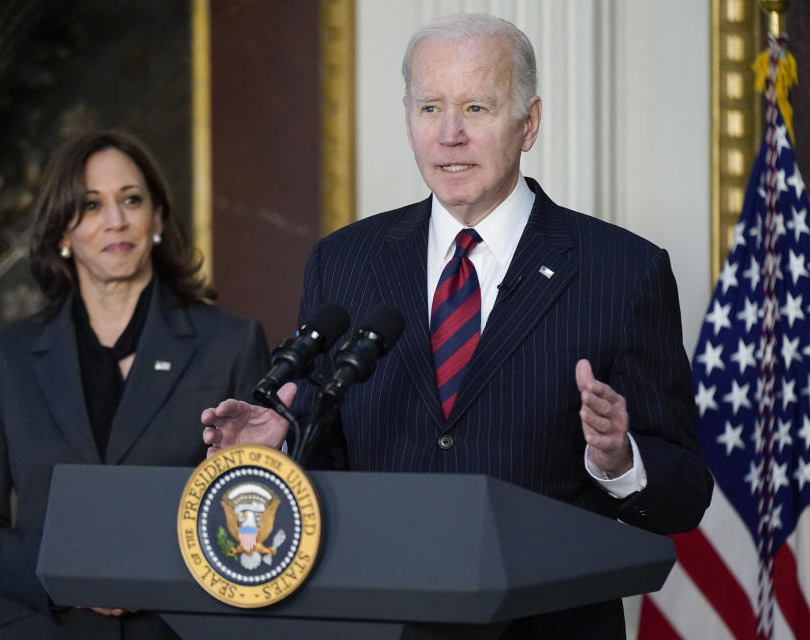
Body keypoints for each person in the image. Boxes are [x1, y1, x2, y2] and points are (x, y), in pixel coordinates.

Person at [201, 13, 713, 639]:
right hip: (378, 622)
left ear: (528, 124)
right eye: (429, 108)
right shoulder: (345, 262)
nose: (449, 135)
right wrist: (273, 453)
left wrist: (618, 459)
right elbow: (325, 457)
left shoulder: (622, 270)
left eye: (476, 107)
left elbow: (685, 494)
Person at [0, 131, 269, 639]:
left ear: (157, 218)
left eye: (131, 200)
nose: (115, 220)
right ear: (61, 232)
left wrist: (150, 572)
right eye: (91, 205)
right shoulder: (3, 357)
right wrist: (70, 577)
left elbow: (260, 505)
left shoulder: (230, 343)